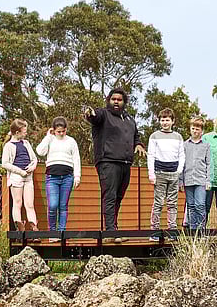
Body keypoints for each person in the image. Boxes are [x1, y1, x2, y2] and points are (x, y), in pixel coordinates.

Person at [85, 88, 144, 232]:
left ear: (124, 102)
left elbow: (136, 136)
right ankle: (110, 230)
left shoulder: (130, 119)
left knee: (118, 196)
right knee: (110, 196)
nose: (116, 102)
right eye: (113, 99)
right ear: (109, 100)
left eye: (119, 100)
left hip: (125, 163)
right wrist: (90, 114)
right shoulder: (103, 114)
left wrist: (138, 145)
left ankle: (113, 226)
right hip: (108, 161)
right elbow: (94, 116)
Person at [37, 116, 82, 232]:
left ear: (66, 129)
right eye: (58, 132)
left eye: (63, 131)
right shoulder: (50, 139)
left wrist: (77, 176)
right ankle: (52, 231)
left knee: (63, 206)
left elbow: (76, 158)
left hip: (67, 177)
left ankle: (61, 232)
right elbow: (40, 151)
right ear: (54, 130)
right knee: (53, 205)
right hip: (52, 177)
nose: (61, 133)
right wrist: (48, 136)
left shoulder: (71, 141)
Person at [148, 108, 186, 230]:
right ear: (159, 121)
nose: (165, 122)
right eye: (162, 120)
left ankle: (172, 229)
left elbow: (181, 155)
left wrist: (179, 170)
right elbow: (151, 155)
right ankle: (154, 229)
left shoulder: (178, 137)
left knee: (172, 203)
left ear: (172, 121)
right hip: (159, 173)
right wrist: (151, 174)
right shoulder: (154, 136)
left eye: (167, 120)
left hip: (174, 173)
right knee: (158, 202)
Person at [0, 118, 38, 230]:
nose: (26, 133)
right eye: (24, 131)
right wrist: (20, 171)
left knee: (29, 204)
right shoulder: (9, 146)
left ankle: (34, 227)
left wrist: (32, 166)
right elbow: (5, 163)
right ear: (17, 132)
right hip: (17, 177)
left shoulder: (26, 143)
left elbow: (34, 158)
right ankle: (19, 227)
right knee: (18, 203)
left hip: (28, 177)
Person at [181, 116, 210, 230]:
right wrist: (180, 180)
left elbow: (209, 164)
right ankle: (193, 230)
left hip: (201, 180)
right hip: (188, 179)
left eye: (197, 129)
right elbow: (181, 164)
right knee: (191, 206)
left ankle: (201, 228)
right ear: (190, 129)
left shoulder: (206, 145)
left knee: (200, 205)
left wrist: (209, 180)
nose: (195, 131)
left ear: (201, 131)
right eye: (193, 128)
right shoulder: (184, 145)